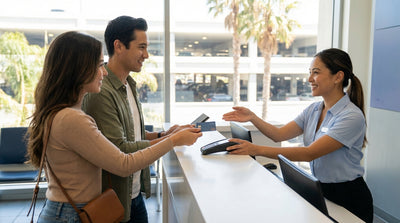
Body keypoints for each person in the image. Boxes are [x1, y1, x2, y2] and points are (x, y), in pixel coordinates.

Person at [27, 31, 202, 223]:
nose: (103, 72)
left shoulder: (62, 113)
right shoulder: (71, 118)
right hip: (72, 214)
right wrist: (173, 140)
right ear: (77, 70)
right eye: (98, 65)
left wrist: (165, 136)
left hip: (67, 210)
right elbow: (124, 164)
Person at [223, 48, 373, 223]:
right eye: (309, 73)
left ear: (338, 77)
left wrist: (255, 149)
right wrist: (253, 118)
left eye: (316, 73)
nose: (309, 79)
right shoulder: (314, 110)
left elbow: (309, 153)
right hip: (320, 189)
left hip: (348, 196)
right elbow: (279, 135)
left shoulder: (351, 116)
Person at [82, 16, 190, 223]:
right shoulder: (101, 91)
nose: (146, 55)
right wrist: (173, 141)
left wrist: (164, 134)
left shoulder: (128, 84)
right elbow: (120, 149)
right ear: (119, 46)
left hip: (134, 195)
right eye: (141, 47)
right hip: (114, 199)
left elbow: (132, 135)